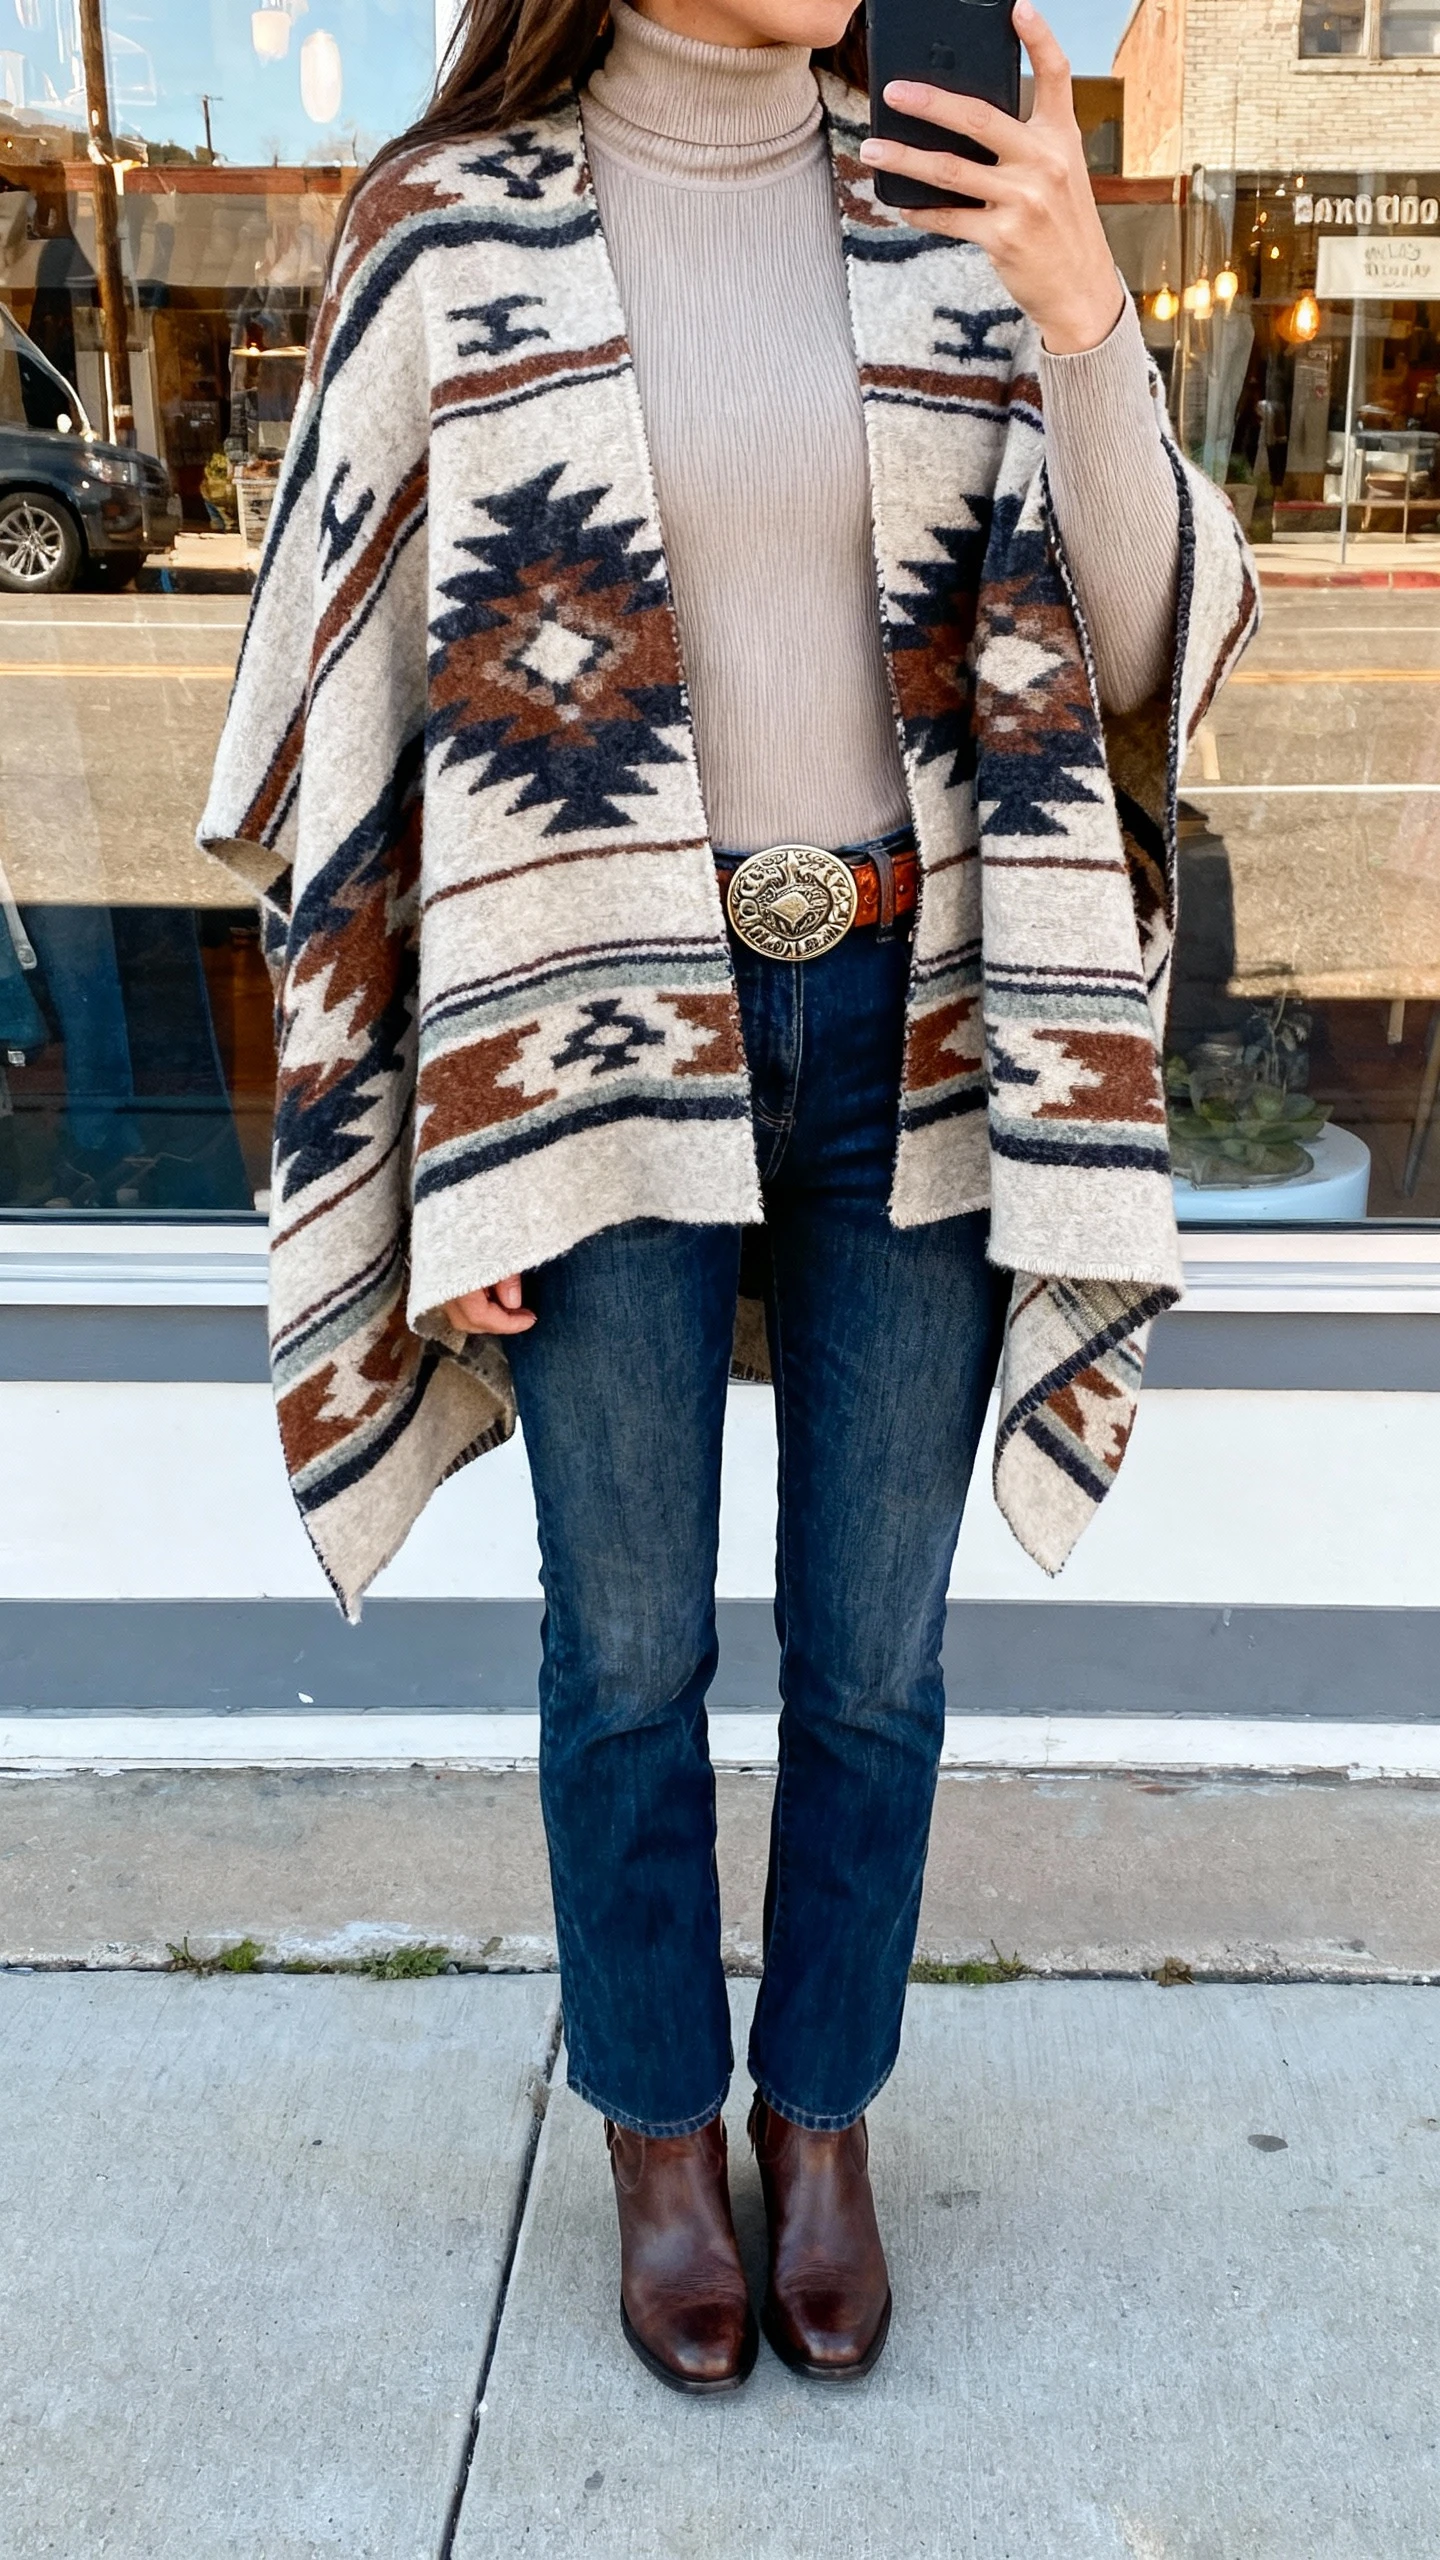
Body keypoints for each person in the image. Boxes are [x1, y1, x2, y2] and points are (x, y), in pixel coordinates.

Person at [201, 0, 1255, 2398]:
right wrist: (429, 1112)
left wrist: (1086, 317)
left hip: (913, 1021)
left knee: (875, 1659)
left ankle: (828, 2109)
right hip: (590, 1026)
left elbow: (1153, 643)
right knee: (629, 1649)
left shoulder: (953, 197)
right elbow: (339, 719)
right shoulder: (443, 230)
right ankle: (662, 2128)